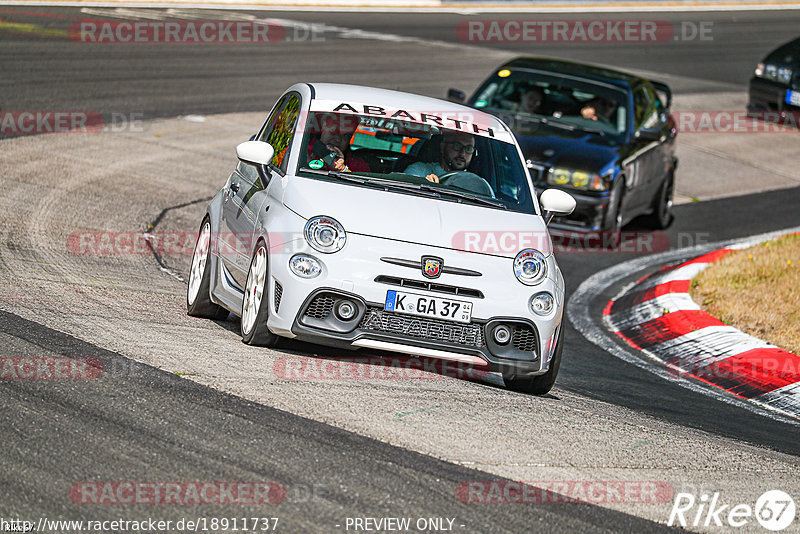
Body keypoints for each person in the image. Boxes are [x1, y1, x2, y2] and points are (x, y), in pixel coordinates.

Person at [404, 131, 476, 184]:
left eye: (469, 148)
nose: (462, 153)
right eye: (457, 146)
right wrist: (424, 184)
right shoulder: (419, 170)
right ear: (443, 147)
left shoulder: (475, 182)